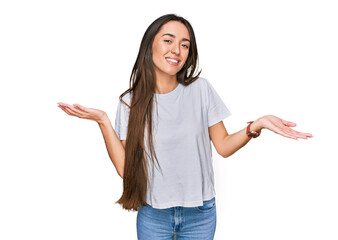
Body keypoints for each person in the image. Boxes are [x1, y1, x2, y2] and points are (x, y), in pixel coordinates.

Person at [57, 13, 313, 240]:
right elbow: (125, 170)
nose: (176, 50)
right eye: (168, 40)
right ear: (150, 45)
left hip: (200, 214)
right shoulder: (130, 102)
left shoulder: (200, 90)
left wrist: (257, 125)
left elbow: (223, 146)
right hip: (153, 214)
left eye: (184, 44)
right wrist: (103, 120)